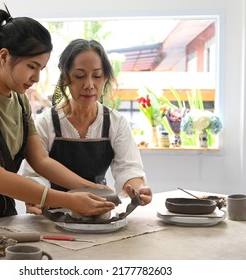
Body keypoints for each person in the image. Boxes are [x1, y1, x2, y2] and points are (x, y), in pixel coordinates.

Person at [0, 7, 115, 225]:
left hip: (0, 206)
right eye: (31, 67)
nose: (36, 77)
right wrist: (69, 200)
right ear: (4, 56)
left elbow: (41, 160)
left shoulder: (20, 100)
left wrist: (90, 188)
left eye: (41, 69)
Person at [19, 39, 152, 215]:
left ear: (105, 78)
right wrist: (35, 197)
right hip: (54, 215)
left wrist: (138, 189)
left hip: (100, 211)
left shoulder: (115, 122)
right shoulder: (46, 123)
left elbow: (128, 168)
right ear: (66, 78)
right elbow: (36, 174)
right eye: (80, 76)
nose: (89, 85)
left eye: (97, 76)